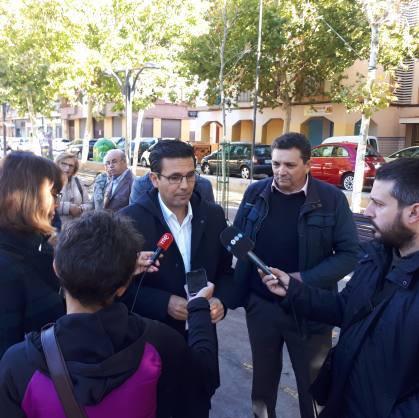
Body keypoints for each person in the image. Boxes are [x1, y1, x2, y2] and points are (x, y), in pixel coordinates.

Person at [0, 211, 218, 418]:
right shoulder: (161, 343)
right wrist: (197, 307)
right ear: (124, 286)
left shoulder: (19, 364)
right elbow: (203, 378)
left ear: (56, 268)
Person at [260, 157, 419, 418]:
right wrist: (294, 290)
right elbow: (346, 308)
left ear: (414, 212)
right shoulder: (377, 256)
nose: (367, 211)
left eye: (378, 204)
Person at [232, 132, 359, 418]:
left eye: (289, 165)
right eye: (276, 164)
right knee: (262, 386)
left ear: (307, 165)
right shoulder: (256, 193)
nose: (280, 171)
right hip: (262, 306)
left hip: (310, 309)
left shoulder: (331, 200)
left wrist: (301, 280)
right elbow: (237, 236)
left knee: (312, 387)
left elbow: (351, 254)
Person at [0, 152, 65, 358]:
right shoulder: (6, 268)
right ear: (28, 196)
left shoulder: (35, 247)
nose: (56, 203)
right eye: (54, 194)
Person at [129, 171, 215, 205]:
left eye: (190, 175)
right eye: (174, 178)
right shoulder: (141, 185)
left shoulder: (203, 185)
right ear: (155, 179)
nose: (185, 186)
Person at [55, 152, 92, 224]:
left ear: (74, 169)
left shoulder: (78, 182)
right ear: (57, 164)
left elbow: (89, 204)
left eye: (71, 165)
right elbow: (48, 205)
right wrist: (68, 208)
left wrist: (80, 209)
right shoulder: (51, 182)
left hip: (77, 227)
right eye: (64, 164)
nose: (67, 168)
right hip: (57, 229)